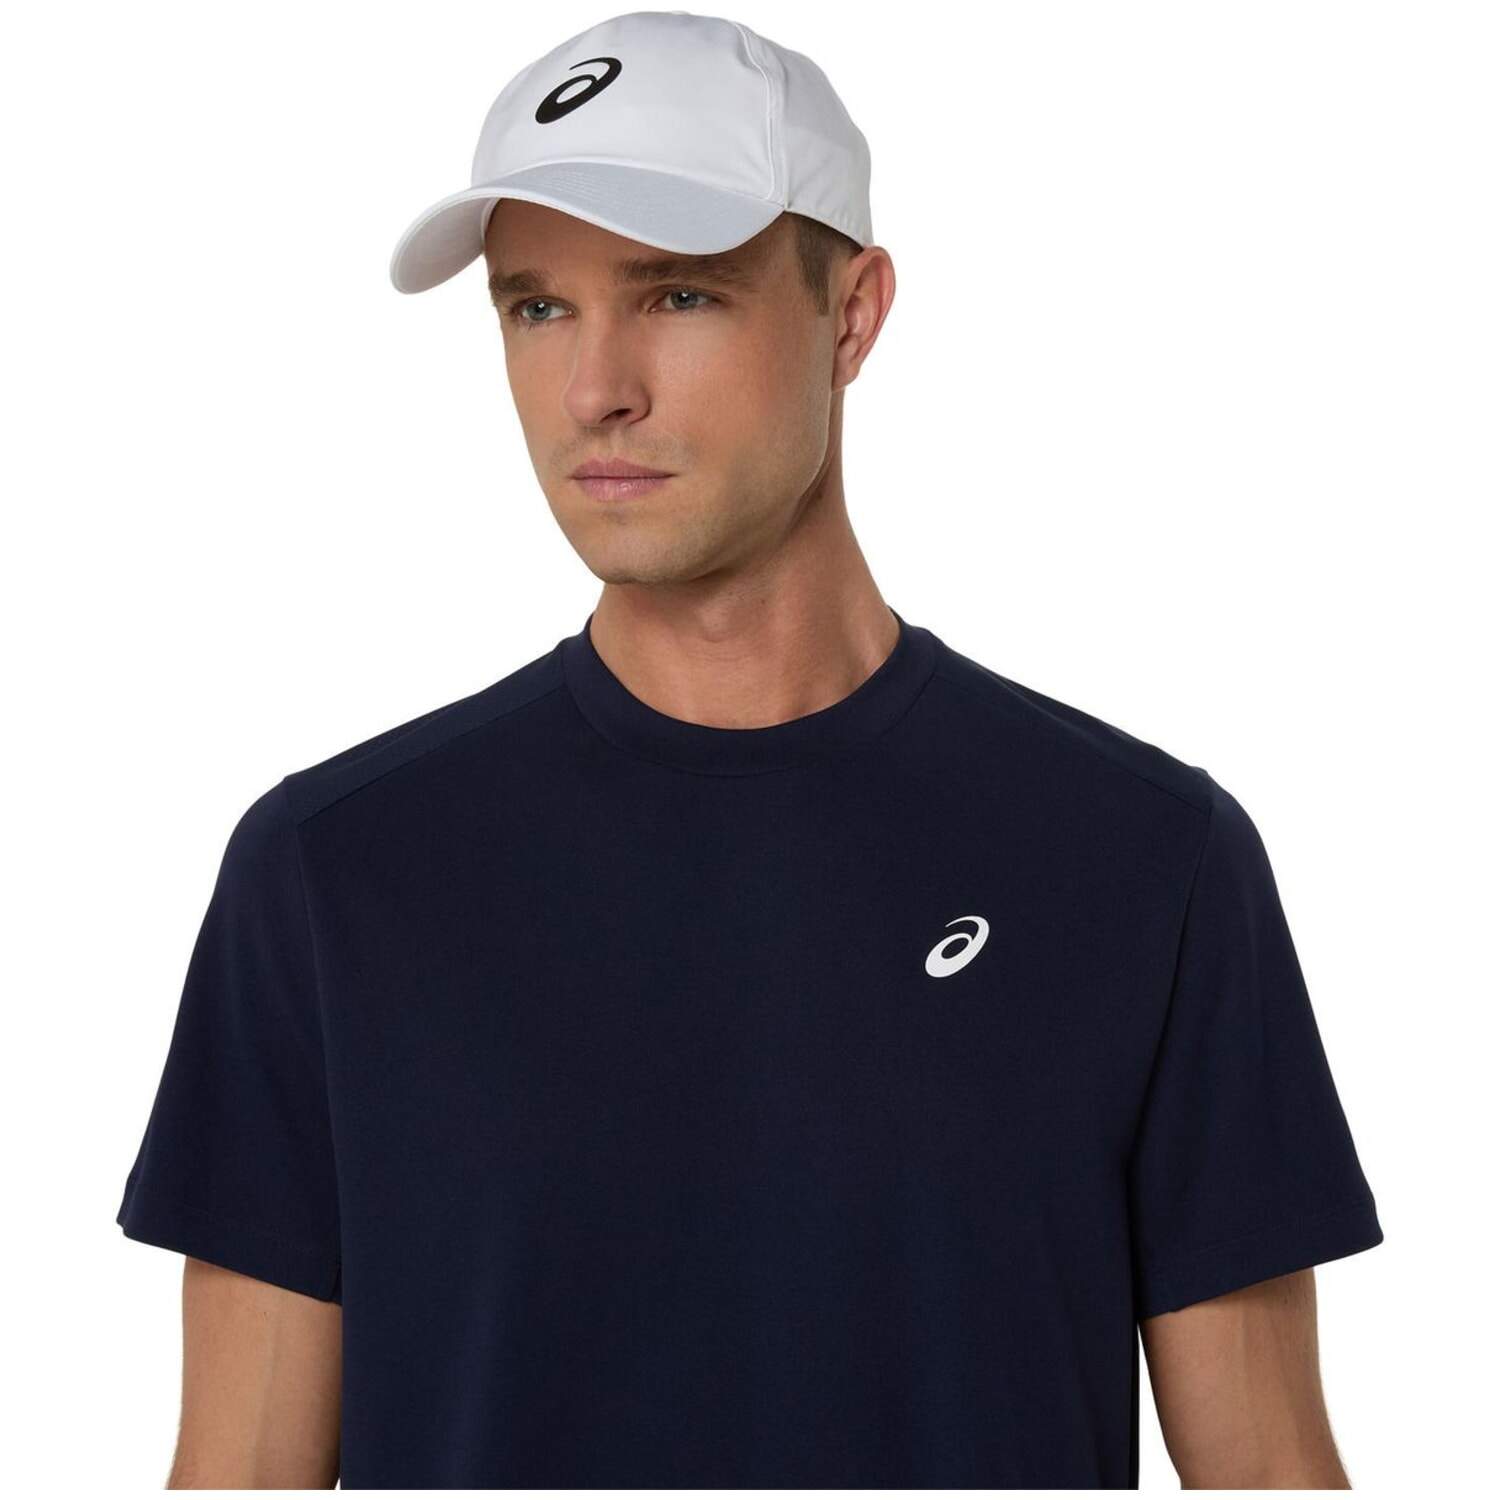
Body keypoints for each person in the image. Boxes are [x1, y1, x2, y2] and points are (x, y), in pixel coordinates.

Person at [115, 10, 1384, 1488]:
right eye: (538, 307)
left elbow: (1271, 1471)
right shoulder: (335, 876)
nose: (595, 389)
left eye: (678, 294)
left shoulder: (1141, 861)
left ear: (853, 315)